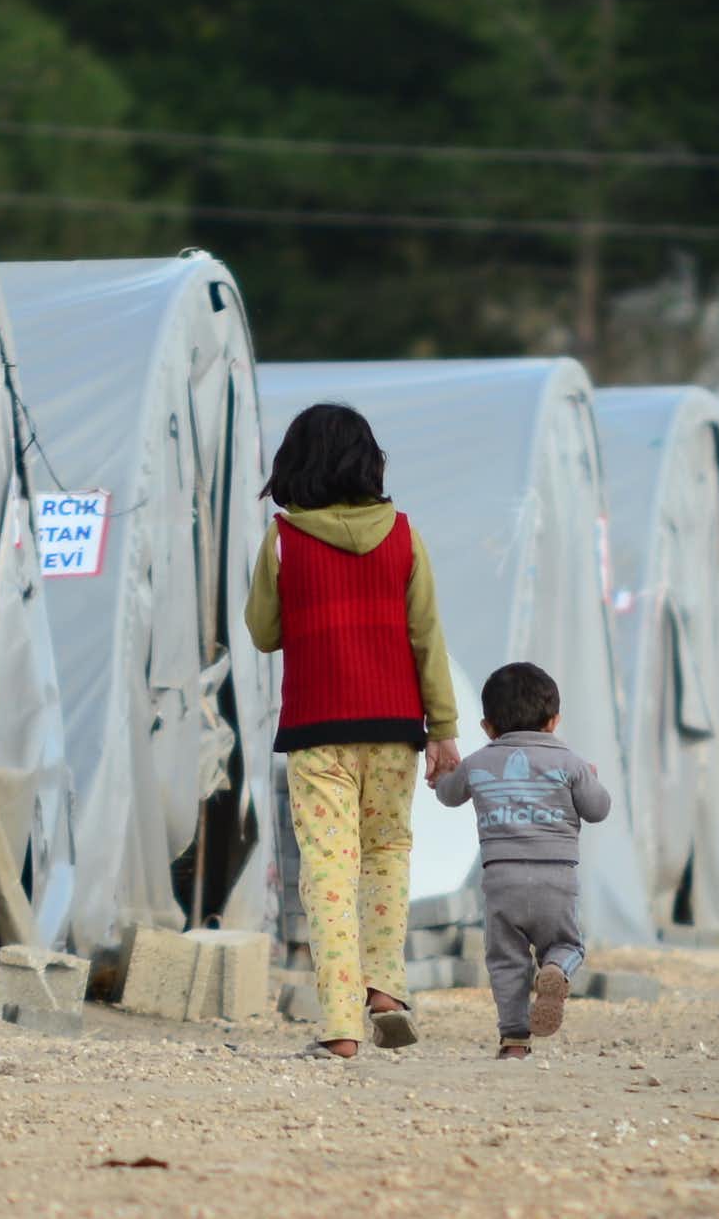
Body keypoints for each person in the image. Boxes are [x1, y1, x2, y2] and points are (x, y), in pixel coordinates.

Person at [247, 402, 462, 1059]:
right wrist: (444, 730)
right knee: (387, 854)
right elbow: (427, 638)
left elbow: (263, 633)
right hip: (394, 727)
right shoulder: (405, 536)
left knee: (329, 868)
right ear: (369, 464)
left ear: (295, 465)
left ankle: (341, 1024)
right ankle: (386, 991)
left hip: (317, 730)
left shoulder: (282, 540)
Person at [435, 663, 610, 1058]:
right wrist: (592, 780)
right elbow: (598, 810)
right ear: (554, 721)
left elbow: (448, 795)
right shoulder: (570, 763)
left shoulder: (477, 763)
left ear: (488, 727)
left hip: (501, 881)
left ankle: (514, 1041)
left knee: (506, 961)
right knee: (566, 944)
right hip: (557, 878)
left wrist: (442, 776)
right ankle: (556, 970)